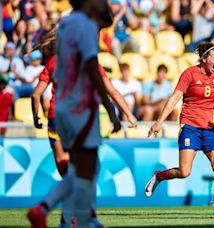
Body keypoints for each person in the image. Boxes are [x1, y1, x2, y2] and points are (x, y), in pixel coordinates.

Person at [27, 0, 121, 227]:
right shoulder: (86, 26)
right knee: (85, 169)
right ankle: (45, 208)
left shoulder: (67, 24)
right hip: (81, 106)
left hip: (62, 107)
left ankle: (72, 220)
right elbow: (91, 67)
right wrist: (110, 109)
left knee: (85, 167)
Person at [145, 42, 214, 216]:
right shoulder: (189, 73)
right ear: (204, 58)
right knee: (184, 172)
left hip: (210, 128)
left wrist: (213, 116)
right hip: (190, 126)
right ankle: (159, 176)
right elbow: (175, 97)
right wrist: (159, 122)